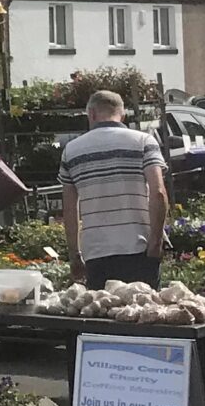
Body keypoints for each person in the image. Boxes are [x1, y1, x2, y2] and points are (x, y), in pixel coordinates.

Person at [60, 90, 170, 286]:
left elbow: (69, 208)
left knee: (103, 305)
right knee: (143, 304)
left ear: (91, 113)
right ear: (123, 115)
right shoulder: (144, 142)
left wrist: (75, 254)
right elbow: (158, 193)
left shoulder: (71, 151)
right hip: (139, 248)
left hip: (96, 252)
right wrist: (156, 242)